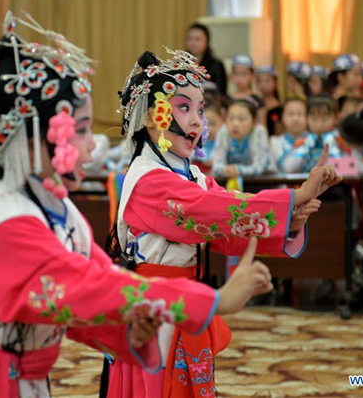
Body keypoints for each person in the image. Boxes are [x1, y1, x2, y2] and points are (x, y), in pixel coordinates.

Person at [0, 12, 272, 398]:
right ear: (36, 137)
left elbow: (84, 294)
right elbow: (88, 287)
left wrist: (126, 329)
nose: (93, 145)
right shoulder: (4, 221)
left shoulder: (60, 212)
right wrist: (212, 301)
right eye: (83, 130)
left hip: (19, 376)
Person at [104, 48, 341, 397]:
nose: (199, 121)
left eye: (200, 109)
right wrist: (294, 198)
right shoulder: (148, 179)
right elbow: (211, 211)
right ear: (155, 118)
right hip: (154, 308)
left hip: (186, 300)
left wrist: (290, 217)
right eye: (184, 108)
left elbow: (225, 216)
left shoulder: (189, 174)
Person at [212, 98, 276, 178]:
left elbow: (259, 167)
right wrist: (225, 170)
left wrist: (238, 170)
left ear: (254, 122)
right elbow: (216, 165)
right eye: (231, 118)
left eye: (241, 119)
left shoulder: (259, 132)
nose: (235, 124)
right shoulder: (223, 131)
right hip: (231, 182)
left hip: (264, 182)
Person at [185, 23, 227, 96]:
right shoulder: (181, 62)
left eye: (197, 39)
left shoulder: (216, 65)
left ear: (207, 41)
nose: (193, 43)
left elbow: (221, 93)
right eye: (190, 39)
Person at [270, 97, 310, 173]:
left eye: (300, 114)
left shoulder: (316, 139)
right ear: (282, 117)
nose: (295, 118)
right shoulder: (275, 142)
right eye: (290, 114)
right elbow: (284, 168)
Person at [256, 65, 283, 136]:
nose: (263, 84)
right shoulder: (255, 103)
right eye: (260, 81)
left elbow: (279, 132)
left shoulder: (279, 107)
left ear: (276, 83)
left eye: (267, 81)